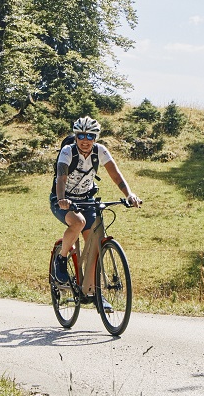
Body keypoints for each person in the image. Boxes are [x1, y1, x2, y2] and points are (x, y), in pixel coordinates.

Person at [50, 116, 141, 306]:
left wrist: (129, 194)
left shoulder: (100, 151)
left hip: (86, 199)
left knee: (94, 244)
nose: (85, 140)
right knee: (78, 222)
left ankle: (93, 293)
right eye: (81, 135)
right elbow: (61, 178)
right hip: (63, 200)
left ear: (95, 138)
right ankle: (61, 258)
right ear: (76, 136)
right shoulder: (68, 152)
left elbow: (115, 175)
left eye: (90, 136)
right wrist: (61, 200)